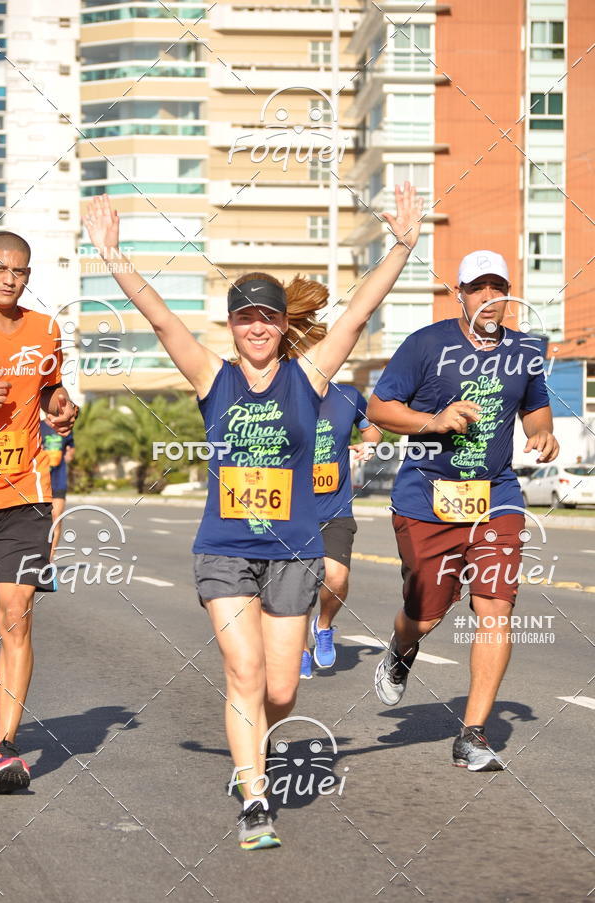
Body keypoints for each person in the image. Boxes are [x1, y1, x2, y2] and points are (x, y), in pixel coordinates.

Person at [83, 184, 423, 848]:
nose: (258, 327)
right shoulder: (214, 377)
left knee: (280, 686)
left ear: (280, 324)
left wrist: (405, 244)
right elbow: (161, 321)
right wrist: (114, 257)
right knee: (242, 672)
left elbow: (357, 313)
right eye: (246, 318)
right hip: (225, 549)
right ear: (233, 327)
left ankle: (253, 748)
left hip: (295, 552)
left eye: (268, 316)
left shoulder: (310, 376)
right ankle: (256, 797)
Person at [368, 250, 559, 771]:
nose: (490, 299)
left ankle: (471, 734)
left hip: (495, 496)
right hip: (427, 497)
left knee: (495, 607)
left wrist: (541, 430)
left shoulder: (527, 350)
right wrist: (434, 420)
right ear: (461, 294)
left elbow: (535, 404)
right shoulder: (426, 344)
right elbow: (380, 409)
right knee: (426, 614)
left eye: (499, 288)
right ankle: (401, 648)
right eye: (479, 289)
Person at [0, 231, 78, 793]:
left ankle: (3, 747)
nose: (9, 277)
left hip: (23, 492)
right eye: (0, 267)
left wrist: (60, 407)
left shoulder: (44, 329)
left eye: (19, 270)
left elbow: (50, 389)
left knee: (15, 612)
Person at [301, 384, 381, 677]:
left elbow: (371, 429)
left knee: (337, 578)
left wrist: (370, 444)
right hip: (291, 512)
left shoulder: (347, 396)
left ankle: (323, 626)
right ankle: (300, 650)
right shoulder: (280, 392)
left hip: (334, 509)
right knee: (297, 588)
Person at [40, 421, 75, 558]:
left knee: (56, 516)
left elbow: (71, 448)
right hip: (41, 480)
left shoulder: (64, 428)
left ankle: (50, 557)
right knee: (40, 519)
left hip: (58, 478)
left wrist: (69, 455)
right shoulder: (39, 426)